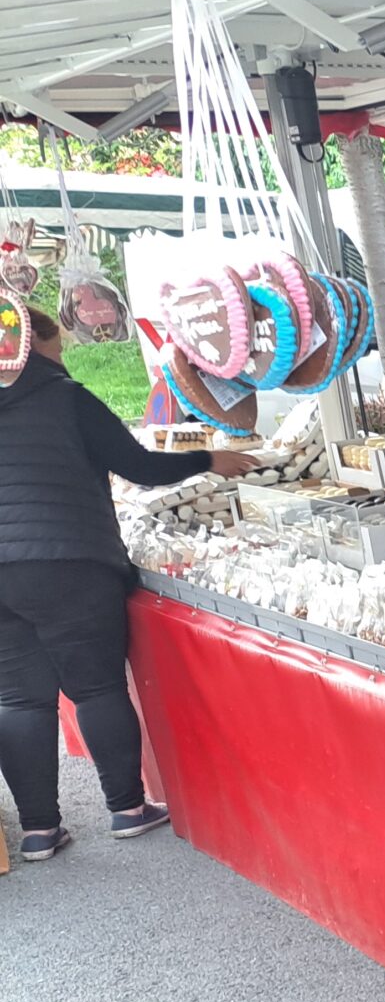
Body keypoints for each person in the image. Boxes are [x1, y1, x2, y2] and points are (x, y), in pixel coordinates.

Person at [0, 306, 253, 860]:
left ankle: (39, 831)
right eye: (57, 346)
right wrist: (209, 459)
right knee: (96, 687)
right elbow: (138, 466)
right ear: (31, 345)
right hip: (69, 559)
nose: (63, 356)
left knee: (18, 699)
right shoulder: (65, 397)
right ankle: (127, 809)